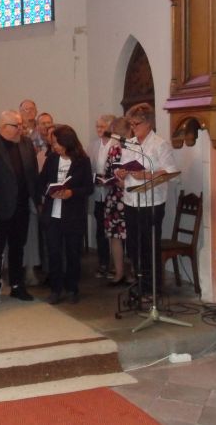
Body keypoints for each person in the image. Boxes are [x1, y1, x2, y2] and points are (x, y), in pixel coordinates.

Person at [115, 103, 178, 294]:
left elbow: (173, 172)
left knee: (149, 246)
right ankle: (140, 282)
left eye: (136, 124)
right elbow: (123, 173)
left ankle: (153, 288)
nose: (133, 128)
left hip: (152, 202)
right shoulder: (130, 144)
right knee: (133, 245)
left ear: (148, 123)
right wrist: (121, 174)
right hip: (131, 200)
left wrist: (148, 175)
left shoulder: (160, 144)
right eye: (131, 124)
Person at [0, 110, 41, 301]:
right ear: (2, 127)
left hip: (22, 206)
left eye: (21, 125)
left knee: (18, 246)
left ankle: (17, 285)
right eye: (16, 126)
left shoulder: (26, 143)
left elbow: (32, 174)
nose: (20, 129)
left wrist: (37, 200)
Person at [39, 125, 94, 304]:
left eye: (57, 142)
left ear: (67, 142)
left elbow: (88, 187)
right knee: (54, 252)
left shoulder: (82, 161)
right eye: (53, 143)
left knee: (73, 253)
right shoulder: (52, 159)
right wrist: (49, 191)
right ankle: (55, 289)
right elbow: (40, 183)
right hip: (52, 214)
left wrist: (72, 193)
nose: (54, 146)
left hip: (73, 215)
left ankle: (72, 288)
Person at [103, 117, 134, 286]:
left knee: (131, 237)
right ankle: (120, 272)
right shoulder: (114, 150)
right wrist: (107, 179)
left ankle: (133, 273)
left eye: (121, 134)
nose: (119, 138)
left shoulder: (137, 149)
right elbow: (108, 171)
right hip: (115, 197)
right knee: (115, 236)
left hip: (132, 197)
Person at [87, 114, 116, 278]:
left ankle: (117, 264)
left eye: (102, 127)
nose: (98, 130)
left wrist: (108, 179)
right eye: (97, 126)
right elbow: (87, 169)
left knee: (115, 232)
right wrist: (95, 178)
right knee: (101, 230)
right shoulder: (92, 146)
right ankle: (103, 262)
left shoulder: (117, 144)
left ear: (111, 128)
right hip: (98, 194)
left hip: (113, 194)